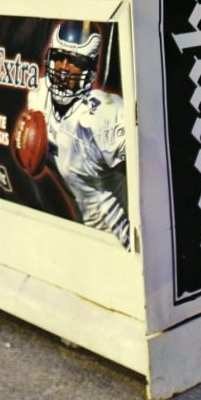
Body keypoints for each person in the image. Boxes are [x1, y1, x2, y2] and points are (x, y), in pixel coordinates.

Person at [26, 21, 129, 247]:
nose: (64, 68)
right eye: (59, 58)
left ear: (89, 68)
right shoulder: (39, 98)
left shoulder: (103, 116)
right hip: (82, 230)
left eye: (74, 61)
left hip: (120, 239)